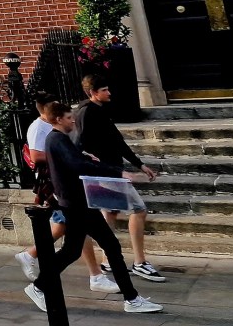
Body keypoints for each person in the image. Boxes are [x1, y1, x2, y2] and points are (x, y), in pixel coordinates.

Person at [24, 102, 162, 315]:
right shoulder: (57, 139)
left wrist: (85, 156)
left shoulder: (57, 139)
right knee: (110, 247)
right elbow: (78, 166)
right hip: (77, 205)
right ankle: (132, 299)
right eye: (69, 117)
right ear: (59, 119)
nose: (73, 120)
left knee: (72, 251)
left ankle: (39, 286)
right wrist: (118, 172)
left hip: (76, 203)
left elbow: (75, 161)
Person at [75, 74, 165, 283]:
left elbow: (117, 142)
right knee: (139, 210)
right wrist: (91, 160)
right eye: (104, 89)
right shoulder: (87, 113)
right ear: (93, 93)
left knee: (111, 213)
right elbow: (80, 143)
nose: (109, 93)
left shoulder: (99, 111)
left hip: (112, 168)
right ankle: (140, 262)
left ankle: (107, 259)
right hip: (106, 172)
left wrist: (139, 164)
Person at [16, 99, 109, 291]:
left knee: (69, 234)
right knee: (71, 237)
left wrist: (76, 155)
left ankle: (94, 275)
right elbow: (36, 156)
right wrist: (69, 157)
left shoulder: (56, 132)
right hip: (57, 186)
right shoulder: (42, 130)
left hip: (67, 187)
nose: (71, 120)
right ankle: (94, 275)